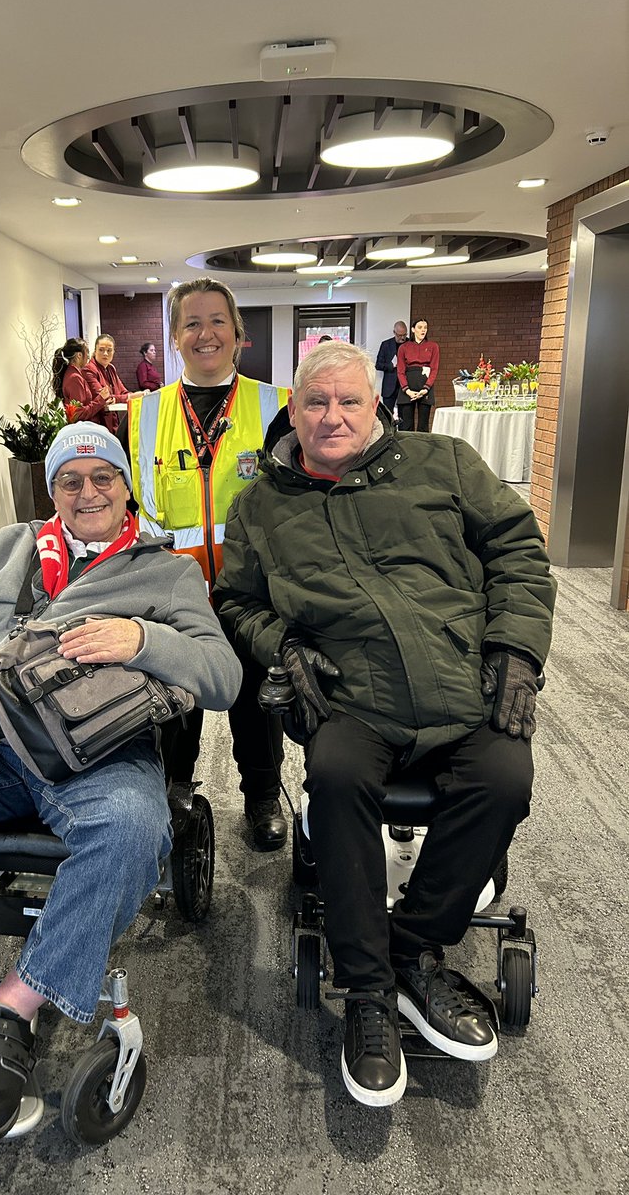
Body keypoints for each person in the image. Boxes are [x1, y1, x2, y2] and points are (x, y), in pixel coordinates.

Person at [0, 421, 242, 1145]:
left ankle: (15, 1008)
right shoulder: (9, 546)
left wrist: (144, 639)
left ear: (127, 488)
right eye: (69, 480)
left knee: (131, 831)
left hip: (99, 756)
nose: (87, 493)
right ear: (51, 489)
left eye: (102, 478)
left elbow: (224, 676)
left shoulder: (166, 571)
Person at [213, 340, 556, 1108]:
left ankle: (413, 952)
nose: (331, 416)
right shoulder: (260, 504)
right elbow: (236, 602)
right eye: (315, 402)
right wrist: (285, 645)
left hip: (465, 679)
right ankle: (368, 992)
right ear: (292, 411)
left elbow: (517, 551)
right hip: (349, 695)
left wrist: (516, 651)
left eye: (349, 401)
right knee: (333, 780)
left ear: (378, 405)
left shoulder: (446, 463)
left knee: (505, 779)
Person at [123, 277, 290, 850]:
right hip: (176, 591)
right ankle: (173, 789)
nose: (205, 333)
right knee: (173, 697)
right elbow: (137, 509)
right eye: (191, 323)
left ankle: (263, 794)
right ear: (173, 337)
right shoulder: (143, 414)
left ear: (238, 333)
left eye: (217, 321)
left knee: (254, 696)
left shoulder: (277, 405)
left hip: (251, 589)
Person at [52, 337, 117, 432]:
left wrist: (102, 402)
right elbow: (78, 414)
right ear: (79, 355)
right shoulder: (74, 378)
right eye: (86, 353)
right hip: (85, 430)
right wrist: (101, 399)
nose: (88, 357)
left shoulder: (75, 374)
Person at [396, 316, 439, 432]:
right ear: (413, 329)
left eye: (425, 328)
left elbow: (434, 369)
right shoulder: (403, 348)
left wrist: (426, 388)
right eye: (420, 327)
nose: (423, 330)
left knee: (423, 426)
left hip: (425, 386)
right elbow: (400, 370)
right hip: (407, 387)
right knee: (406, 426)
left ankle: (422, 449)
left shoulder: (433, 346)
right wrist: (407, 390)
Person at [83, 333, 137, 410]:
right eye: (101, 350)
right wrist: (129, 397)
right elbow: (104, 398)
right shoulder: (89, 369)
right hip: (99, 417)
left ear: (113, 352)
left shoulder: (111, 368)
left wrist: (136, 395)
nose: (105, 354)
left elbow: (123, 391)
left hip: (114, 416)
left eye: (109, 350)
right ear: (95, 351)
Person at [375, 320, 408, 414]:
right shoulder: (386, 345)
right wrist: (392, 365)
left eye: (404, 335)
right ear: (394, 332)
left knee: (404, 416)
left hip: (405, 386)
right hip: (389, 387)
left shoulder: (410, 344)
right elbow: (378, 365)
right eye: (399, 335)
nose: (402, 338)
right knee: (387, 415)